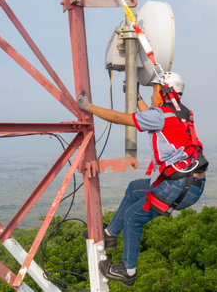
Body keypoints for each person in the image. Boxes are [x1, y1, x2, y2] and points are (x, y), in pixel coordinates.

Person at [76, 71, 208, 286]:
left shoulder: (161, 115)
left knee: (133, 217)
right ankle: (110, 233)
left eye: (154, 89)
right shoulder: (182, 113)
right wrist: (136, 97)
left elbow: (120, 118)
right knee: (135, 187)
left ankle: (128, 271)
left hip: (177, 186)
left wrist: (87, 107)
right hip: (190, 183)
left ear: (163, 91)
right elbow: (152, 118)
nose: (152, 94)